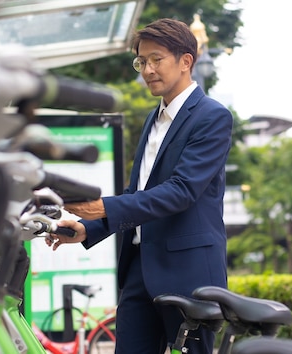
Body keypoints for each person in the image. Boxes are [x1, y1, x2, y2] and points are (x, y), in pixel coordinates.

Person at [48, 18, 233, 354]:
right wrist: (88, 228)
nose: (147, 69)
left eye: (156, 59)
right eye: (141, 61)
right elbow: (140, 192)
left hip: (188, 273)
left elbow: (182, 190)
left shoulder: (212, 116)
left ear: (186, 61)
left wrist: (104, 206)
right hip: (139, 270)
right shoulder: (153, 118)